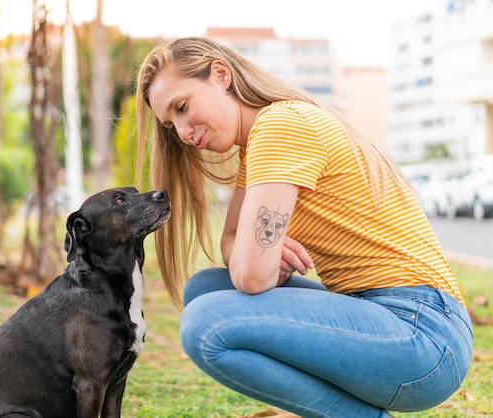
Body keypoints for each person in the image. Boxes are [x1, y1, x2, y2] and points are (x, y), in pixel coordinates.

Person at [134, 36, 473, 418]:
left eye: (182, 107)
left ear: (220, 75)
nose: (181, 132)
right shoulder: (258, 145)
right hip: (392, 321)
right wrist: (258, 253)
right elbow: (231, 243)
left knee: (205, 326)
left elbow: (251, 276)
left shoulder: (280, 126)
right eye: (170, 124)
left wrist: (257, 257)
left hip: (422, 333)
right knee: (204, 289)